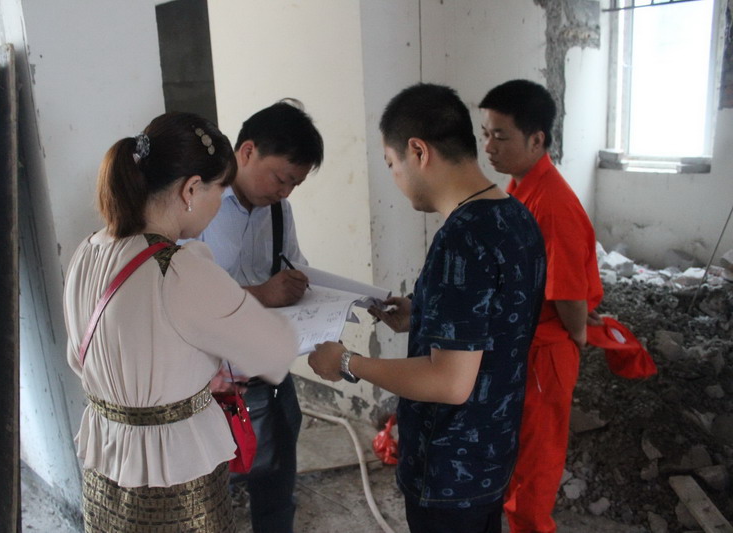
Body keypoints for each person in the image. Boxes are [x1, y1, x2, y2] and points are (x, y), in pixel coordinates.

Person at [308, 83, 546, 533]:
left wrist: (346, 362)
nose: (394, 177)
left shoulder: (461, 238)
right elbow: (496, 321)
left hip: (448, 472)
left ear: (418, 151)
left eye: (391, 163)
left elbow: (449, 382)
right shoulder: (515, 217)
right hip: (492, 456)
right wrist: (422, 314)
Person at [63, 112, 297, 533]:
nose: (220, 200)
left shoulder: (88, 251)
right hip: (174, 480)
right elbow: (275, 352)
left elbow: (80, 359)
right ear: (191, 189)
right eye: (219, 188)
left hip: (107, 472)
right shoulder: (179, 268)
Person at [189, 99, 323, 533]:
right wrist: (262, 295)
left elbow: (294, 267)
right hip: (208, 382)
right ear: (247, 151)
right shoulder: (198, 207)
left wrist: (323, 304)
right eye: (281, 179)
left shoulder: (279, 211)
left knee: (277, 484)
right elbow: (183, 296)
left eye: (295, 184)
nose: (285, 193)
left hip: (266, 372)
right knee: (209, 494)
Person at [479, 79, 604, 533]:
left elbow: (568, 294)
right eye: (486, 133)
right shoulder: (521, 187)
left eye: (500, 136)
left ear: (537, 140)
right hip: (524, 346)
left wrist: (578, 333)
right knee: (516, 452)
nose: (489, 147)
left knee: (536, 462)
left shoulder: (551, 203)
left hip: (546, 352)